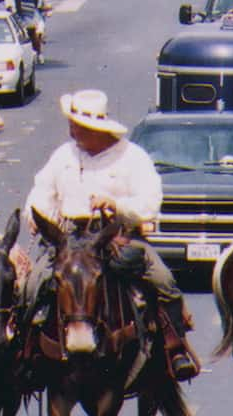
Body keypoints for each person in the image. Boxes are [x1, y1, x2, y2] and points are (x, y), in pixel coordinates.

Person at [24, 90, 200, 382]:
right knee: (33, 284)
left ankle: (174, 346)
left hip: (116, 236)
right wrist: (35, 216)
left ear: (95, 128)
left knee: (163, 280)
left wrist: (115, 204)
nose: (72, 130)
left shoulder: (133, 157)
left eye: (77, 125)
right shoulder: (64, 155)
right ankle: (27, 351)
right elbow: (42, 191)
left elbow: (149, 202)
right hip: (68, 237)